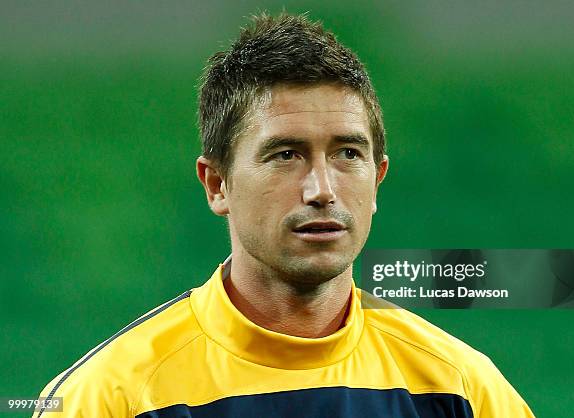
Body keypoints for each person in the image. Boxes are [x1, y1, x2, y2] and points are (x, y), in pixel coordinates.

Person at [34, 12, 535, 418]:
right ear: (217, 184)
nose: (322, 190)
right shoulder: (107, 399)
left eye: (347, 154)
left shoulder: (463, 390)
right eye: (285, 154)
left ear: (377, 178)